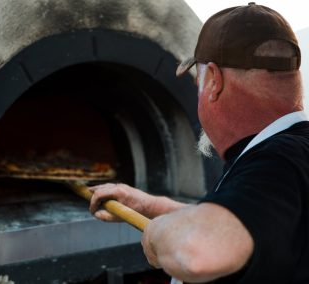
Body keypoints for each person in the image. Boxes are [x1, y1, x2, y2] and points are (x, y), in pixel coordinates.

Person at [87, 3, 309, 283]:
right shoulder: (290, 152)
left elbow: (199, 251)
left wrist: (157, 236)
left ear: (214, 81)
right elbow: (247, 223)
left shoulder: (277, 160)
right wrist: (153, 206)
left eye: (198, 85)